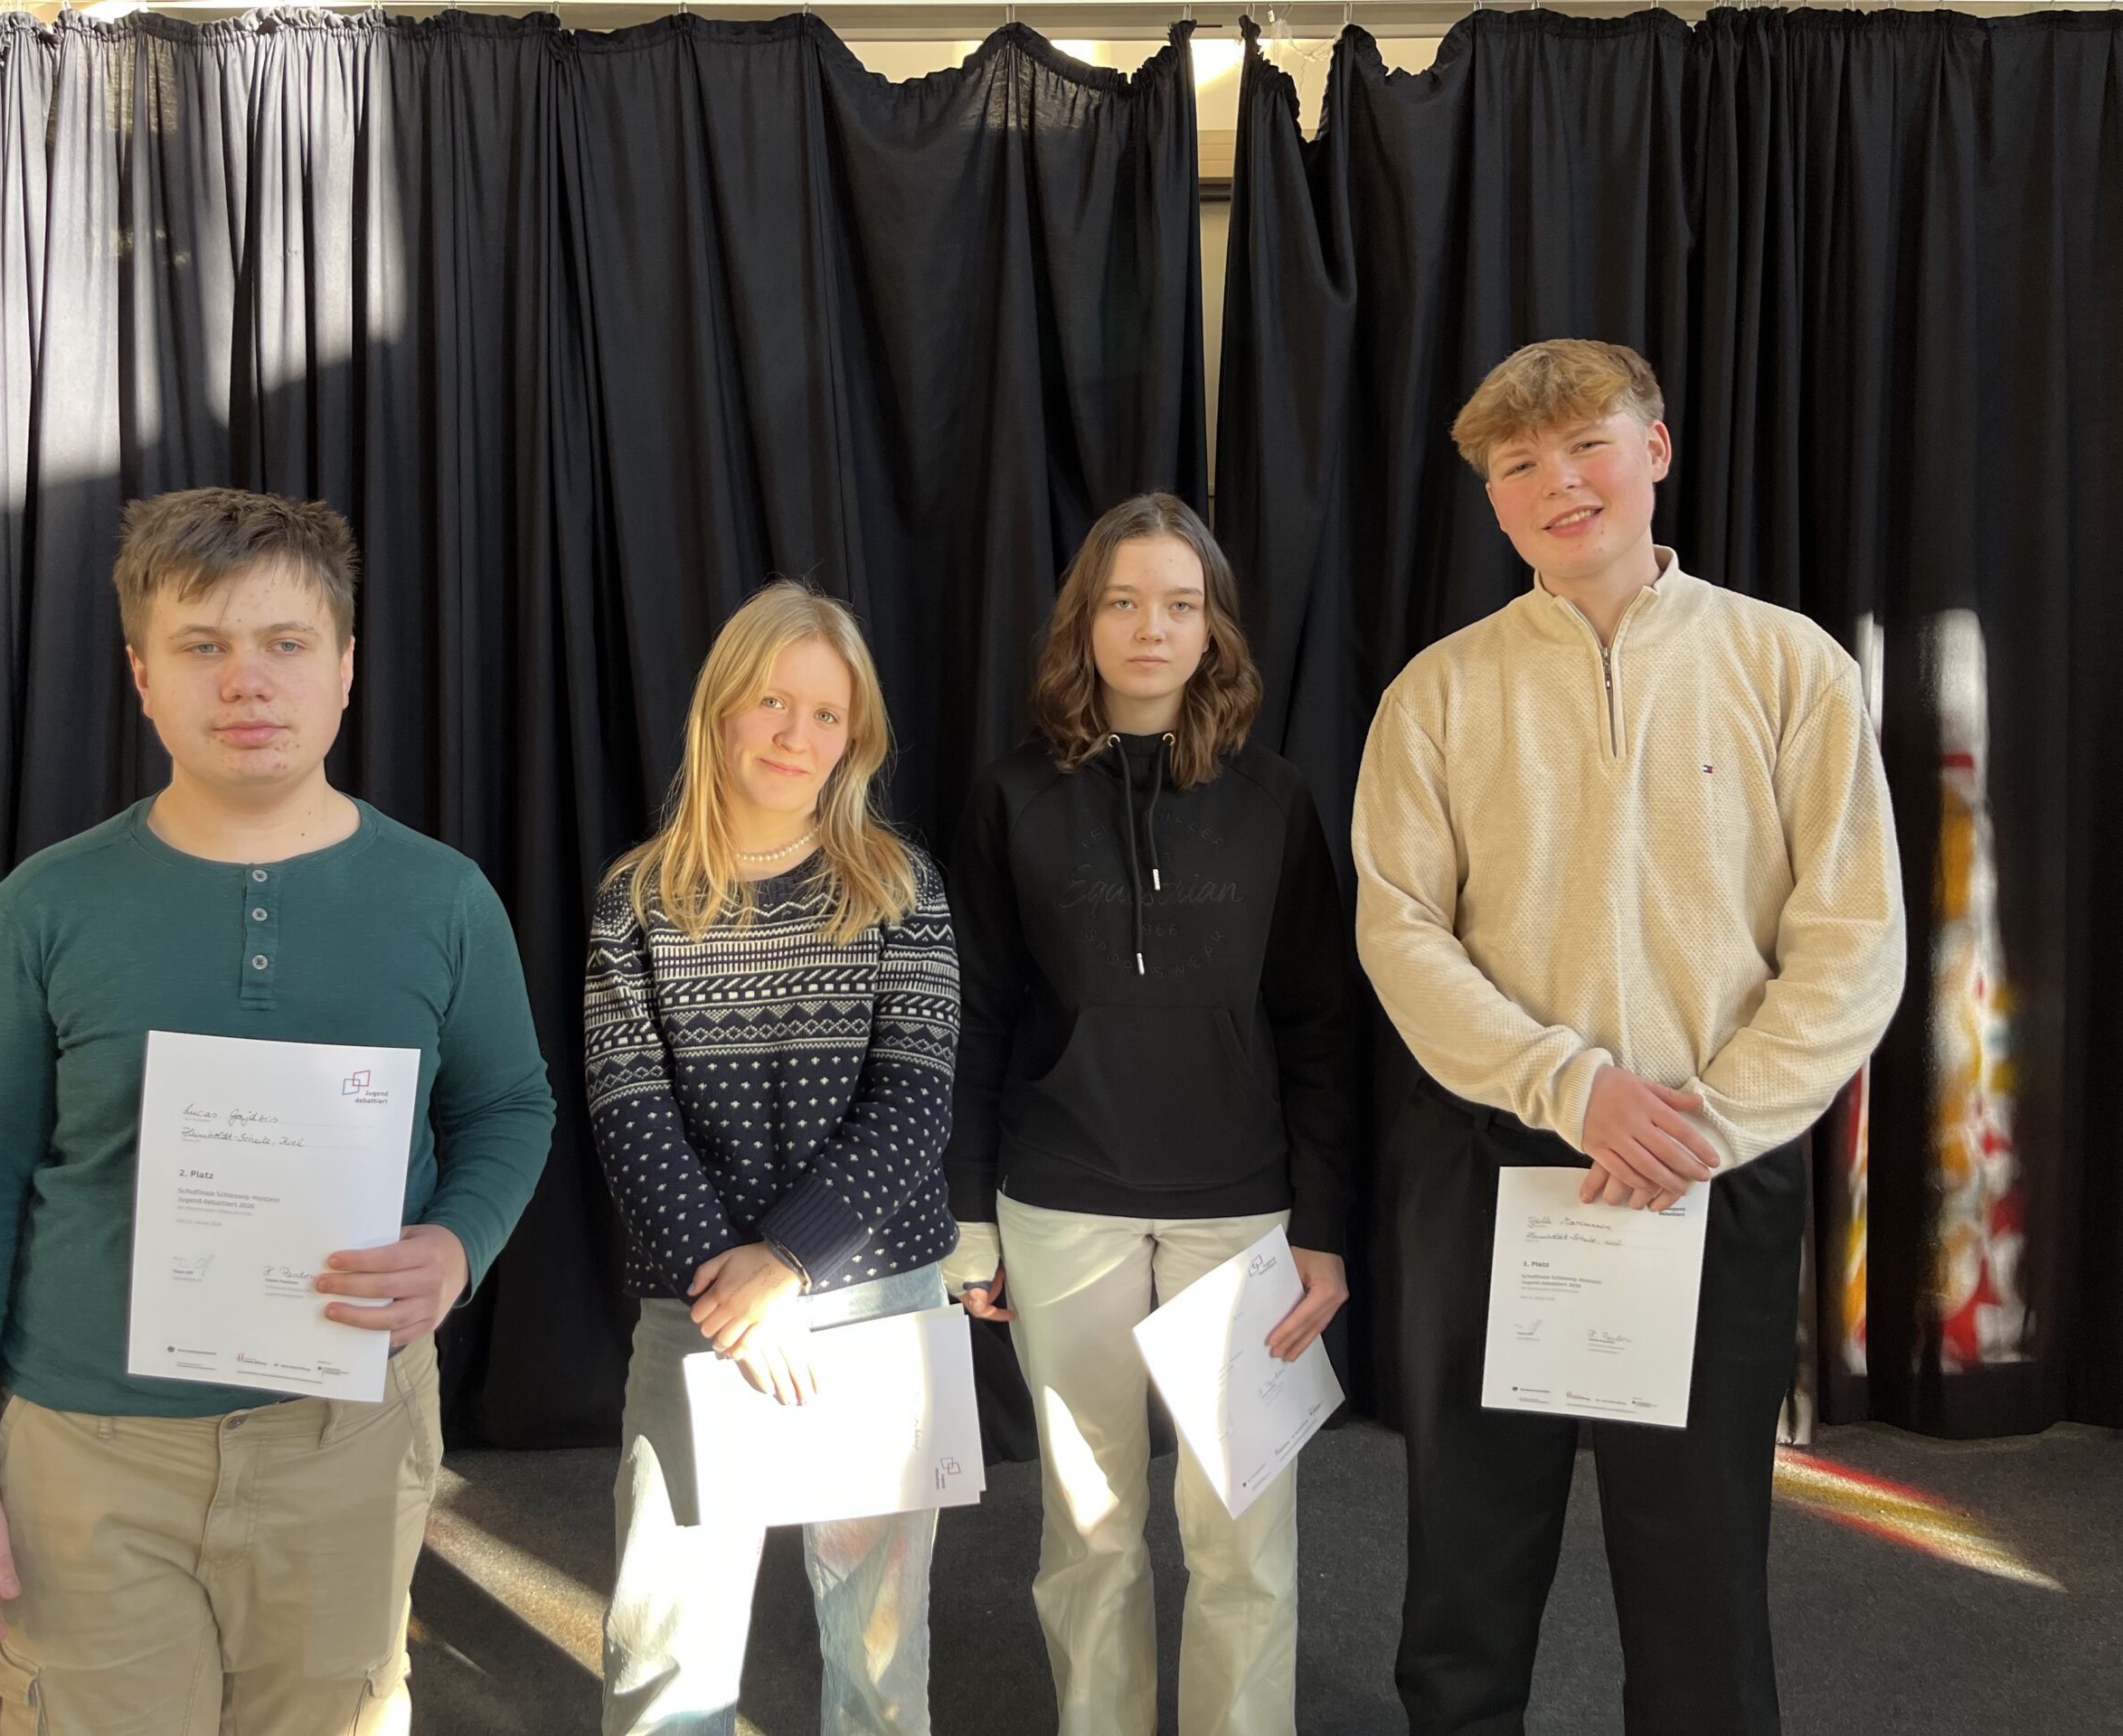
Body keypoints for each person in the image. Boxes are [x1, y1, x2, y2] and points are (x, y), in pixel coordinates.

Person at [0, 487, 557, 1732]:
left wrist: (458, 1245)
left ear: (345, 670)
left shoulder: (444, 899)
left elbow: (510, 1105)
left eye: (284, 643)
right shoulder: (47, 907)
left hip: (346, 1444)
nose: (246, 679)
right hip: (89, 1456)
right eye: (202, 645)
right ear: (143, 678)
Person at [1351, 338, 1906, 1735]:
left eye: (1587, 445)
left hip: (1710, 1169)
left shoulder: (1790, 666)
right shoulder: (1437, 693)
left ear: (1655, 451)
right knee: (1467, 1559)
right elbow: (1401, 932)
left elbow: (1854, 939)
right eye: (1519, 465)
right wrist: (1573, 1087)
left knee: (1701, 1571)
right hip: (1492, 1162)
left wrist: (1699, 1124)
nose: (1560, 483)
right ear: (1492, 500)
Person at [940, 493, 1357, 1736]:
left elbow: (1319, 1026)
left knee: (1244, 1538)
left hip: (1240, 1215)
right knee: (1091, 1530)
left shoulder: (1275, 801)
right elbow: (977, 1016)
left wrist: (1322, 1227)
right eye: (1122, 602)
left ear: (1213, 628)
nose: (1150, 628)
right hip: (1063, 1204)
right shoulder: (1013, 798)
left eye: (1179, 604)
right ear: (1085, 622)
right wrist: (968, 1219)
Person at [582, 580, 960, 1736]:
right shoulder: (636, 899)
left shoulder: (898, 887)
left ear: (855, 738)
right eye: (773, 703)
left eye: (827, 714)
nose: (798, 735)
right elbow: (628, 1108)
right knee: (665, 1655)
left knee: (880, 1656)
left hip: (874, 1299)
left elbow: (916, 1099)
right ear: (721, 712)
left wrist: (788, 1262)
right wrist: (732, 1286)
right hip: (696, 1310)